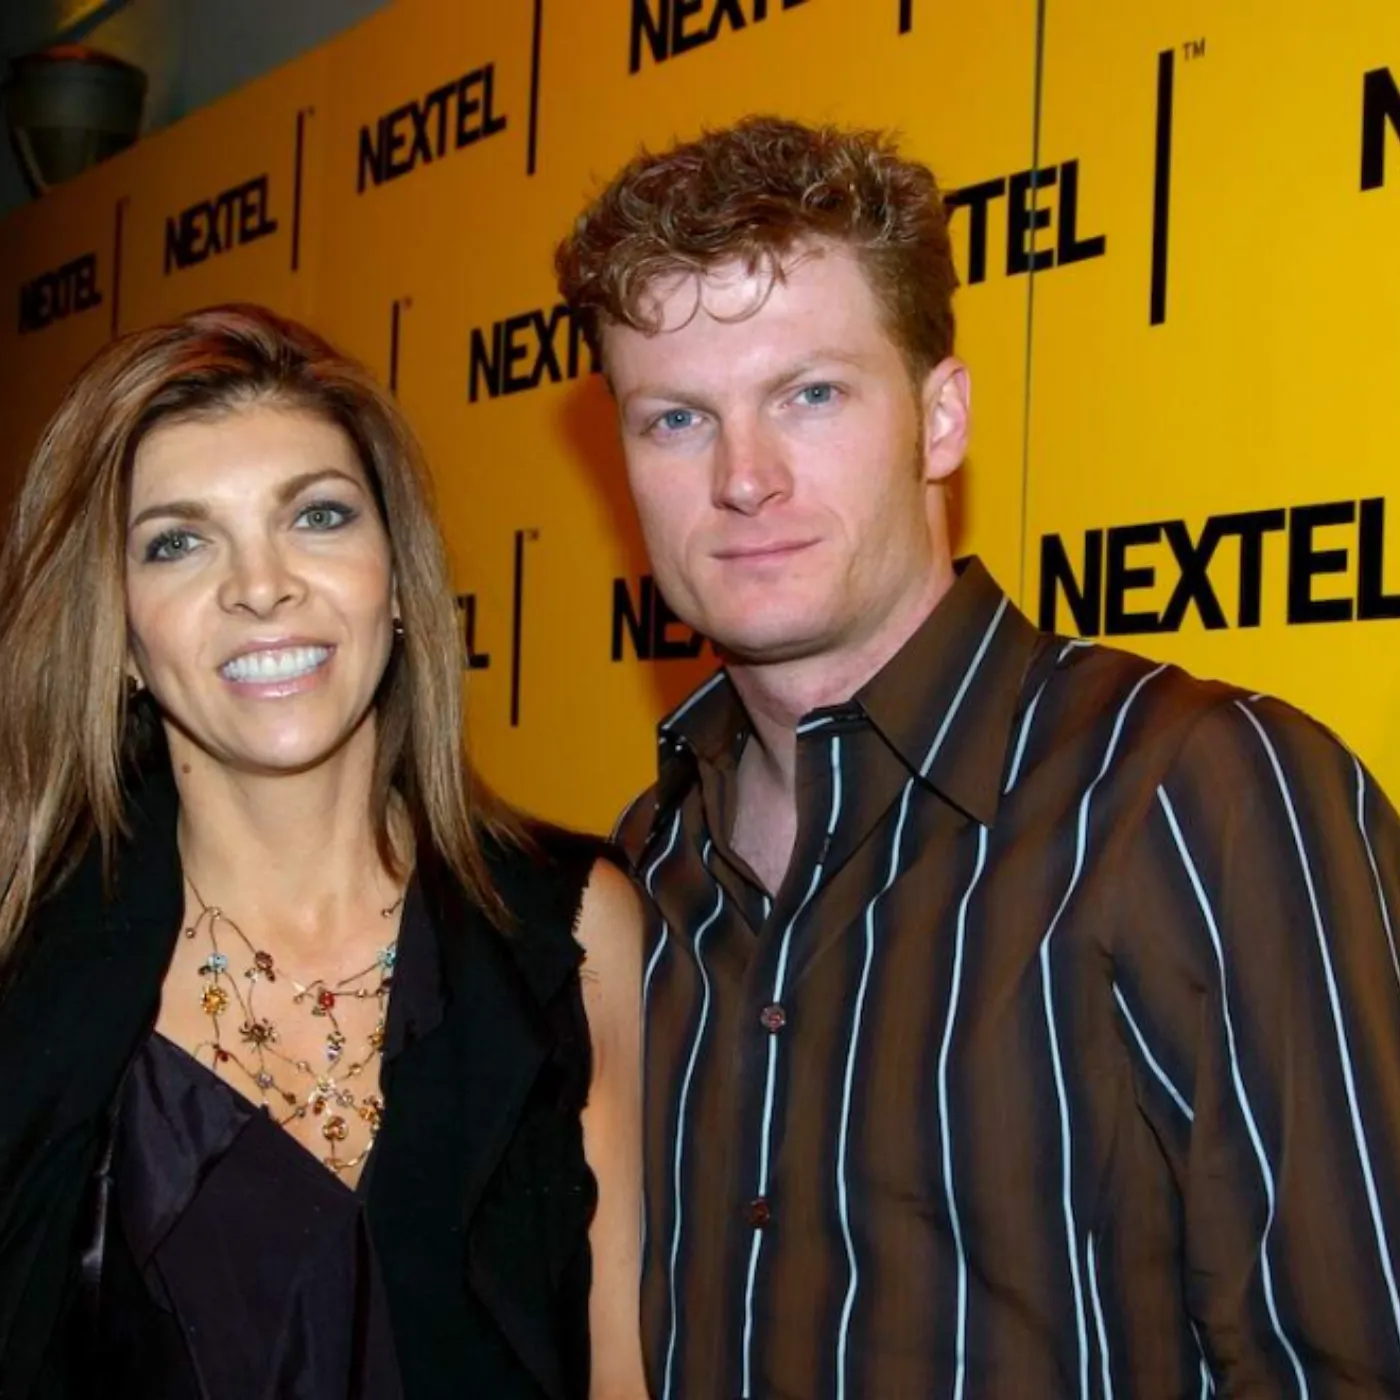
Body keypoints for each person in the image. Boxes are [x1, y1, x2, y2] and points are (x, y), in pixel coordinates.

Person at [555, 116, 1400, 1398]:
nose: (742, 476)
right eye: (674, 418)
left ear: (939, 418)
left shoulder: (1198, 790)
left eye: (810, 394)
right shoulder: (644, 864)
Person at [0, 304, 648, 1400]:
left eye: (318, 515)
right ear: (121, 635)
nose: (261, 585)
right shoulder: (30, 971)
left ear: (396, 579)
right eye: (178, 541)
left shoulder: (574, 934)